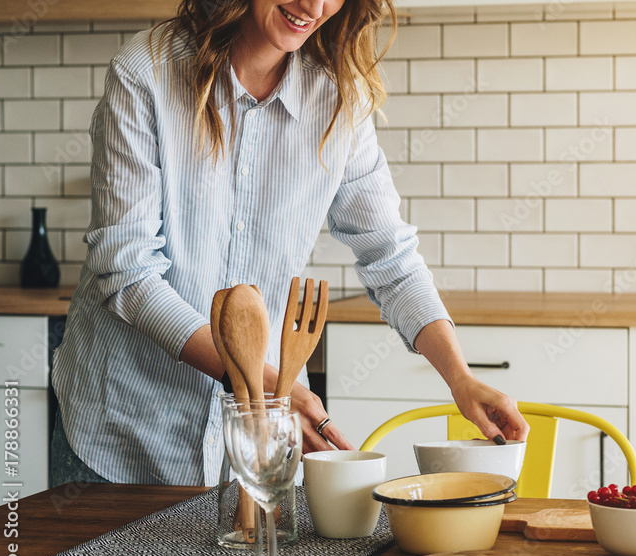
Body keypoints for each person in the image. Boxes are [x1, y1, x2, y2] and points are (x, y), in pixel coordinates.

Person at [50, 0, 529, 488]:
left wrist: (460, 378)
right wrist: (268, 387)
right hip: (120, 438)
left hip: (252, 442)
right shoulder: (146, 75)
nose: (314, 7)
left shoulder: (340, 98)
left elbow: (390, 255)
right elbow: (129, 274)